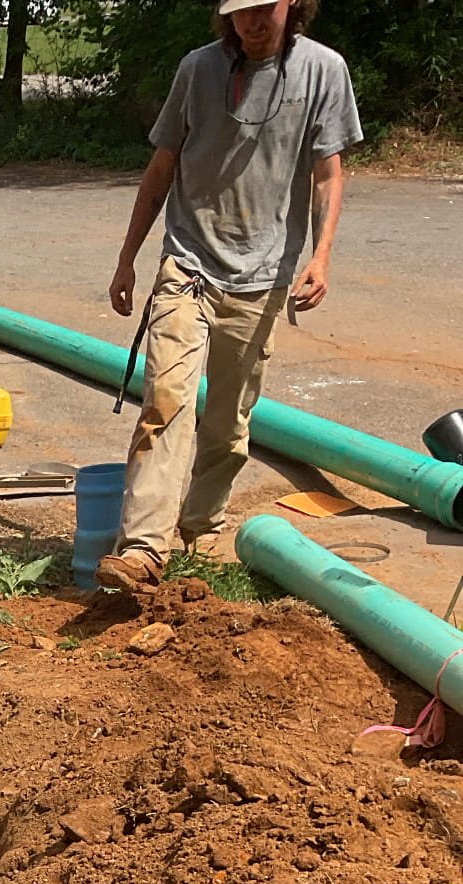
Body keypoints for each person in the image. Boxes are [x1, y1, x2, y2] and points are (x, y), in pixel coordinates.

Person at [96, 0, 361, 592]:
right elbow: (162, 166)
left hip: (264, 276)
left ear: (293, 6)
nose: (254, 22)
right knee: (164, 400)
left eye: (266, 8)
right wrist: (127, 258)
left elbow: (327, 171)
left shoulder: (323, 70)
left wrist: (320, 255)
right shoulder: (197, 70)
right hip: (188, 262)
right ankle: (143, 548)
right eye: (242, 12)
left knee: (228, 421)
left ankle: (200, 527)